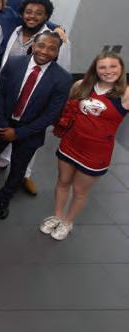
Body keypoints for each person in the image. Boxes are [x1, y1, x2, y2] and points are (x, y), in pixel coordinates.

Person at [0, 32, 71, 220]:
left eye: (52, 48)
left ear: (57, 52)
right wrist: (3, 124)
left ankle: (4, 199)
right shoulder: (14, 62)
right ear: (33, 46)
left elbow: (51, 114)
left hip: (31, 131)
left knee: (18, 168)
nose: (45, 51)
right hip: (3, 123)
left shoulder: (63, 78)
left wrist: (18, 133)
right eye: (41, 45)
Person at [43, 53, 129, 241]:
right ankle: (57, 216)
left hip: (96, 153)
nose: (108, 71)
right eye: (102, 67)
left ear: (121, 68)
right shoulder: (81, 85)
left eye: (113, 66)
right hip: (70, 144)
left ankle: (67, 222)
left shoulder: (125, 94)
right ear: (95, 69)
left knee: (80, 191)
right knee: (62, 182)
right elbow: (68, 110)